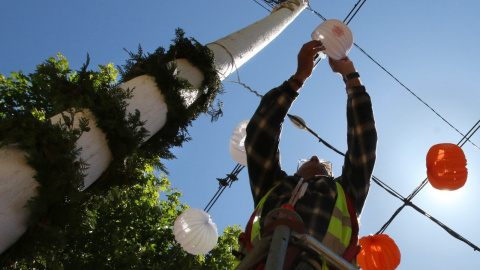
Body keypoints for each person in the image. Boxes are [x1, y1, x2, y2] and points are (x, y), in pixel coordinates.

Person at [238, 40, 378, 269]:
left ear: (332, 175)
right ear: (296, 170)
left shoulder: (346, 193)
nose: (314, 158)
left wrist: (351, 76)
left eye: (322, 162)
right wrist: (298, 78)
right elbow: (260, 134)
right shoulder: (273, 185)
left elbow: (364, 142)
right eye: (309, 160)